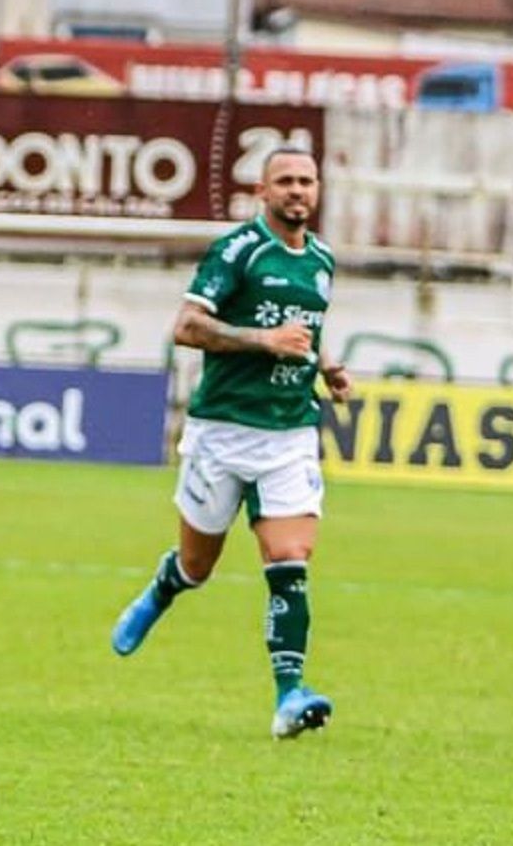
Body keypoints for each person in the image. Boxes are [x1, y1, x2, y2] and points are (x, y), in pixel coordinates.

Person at [109, 146, 352, 740]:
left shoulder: (321, 260)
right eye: (285, 181)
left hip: (291, 432)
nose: (297, 190)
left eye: (307, 180)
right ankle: (167, 587)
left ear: (318, 190)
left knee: (290, 560)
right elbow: (187, 326)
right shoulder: (238, 251)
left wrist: (325, 365)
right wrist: (260, 340)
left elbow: (304, 330)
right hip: (222, 431)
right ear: (263, 192)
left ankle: (289, 696)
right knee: (198, 564)